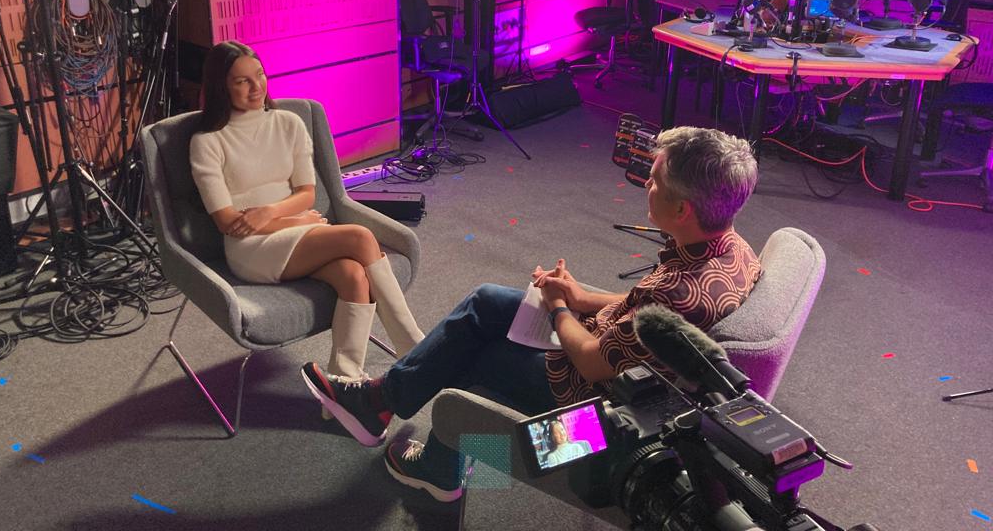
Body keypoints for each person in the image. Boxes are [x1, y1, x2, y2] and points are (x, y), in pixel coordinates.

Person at [302, 126, 761, 502]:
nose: (647, 184)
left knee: (471, 357)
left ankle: (437, 465)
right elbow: (642, 312)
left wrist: (560, 305)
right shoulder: (734, 251)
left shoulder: (678, 292)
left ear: (682, 209)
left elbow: (590, 360)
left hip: (596, 417)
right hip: (635, 374)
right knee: (486, 301)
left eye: (656, 181)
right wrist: (580, 297)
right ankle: (381, 401)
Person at [189, 41, 425, 388]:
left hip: (292, 231)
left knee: (353, 276)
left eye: (260, 75)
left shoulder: (289, 123)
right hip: (251, 250)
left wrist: (271, 213)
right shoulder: (207, 141)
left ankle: (343, 385)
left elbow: (306, 194)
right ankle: (414, 349)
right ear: (221, 87)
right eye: (242, 81)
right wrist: (291, 221)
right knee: (359, 236)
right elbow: (228, 222)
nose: (256, 87)